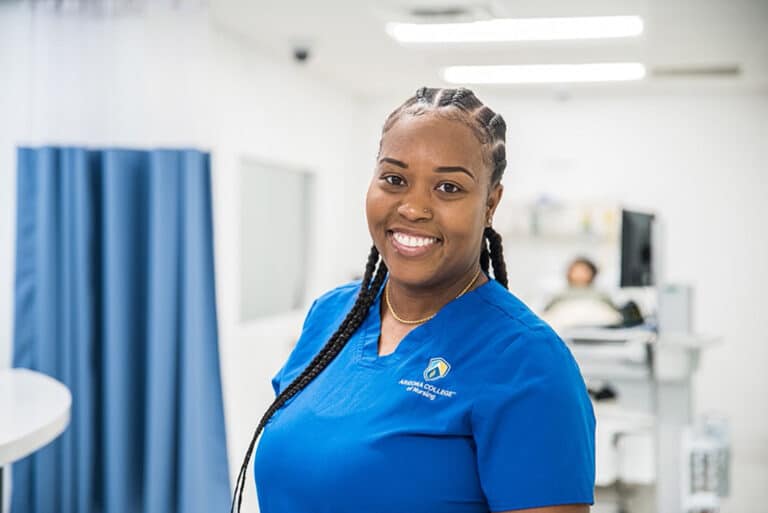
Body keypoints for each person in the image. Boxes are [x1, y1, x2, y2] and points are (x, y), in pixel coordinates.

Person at [230, 87, 595, 513]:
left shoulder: (528, 361)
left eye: (448, 187)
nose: (414, 207)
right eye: (395, 179)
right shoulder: (331, 316)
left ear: (490, 203)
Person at [543, 257, 624, 329]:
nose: (579, 274)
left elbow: (615, 314)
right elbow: (547, 313)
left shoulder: (601, 294)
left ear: (592, 273)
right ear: (569, 273)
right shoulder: (559, 294)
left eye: (584, 271)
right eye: (576, 270)